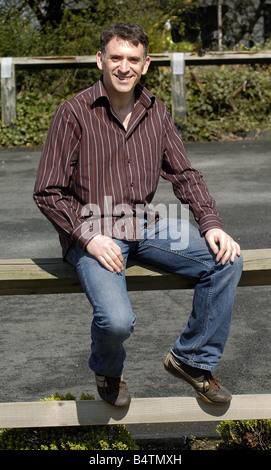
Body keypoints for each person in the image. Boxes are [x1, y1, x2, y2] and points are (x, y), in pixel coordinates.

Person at [33, 22, 243, 407]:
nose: (124, 67)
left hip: (145, 227)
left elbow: (183, 173)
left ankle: (192, 360)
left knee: (226, 260)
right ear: (101, 60)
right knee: (116, 321)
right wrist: (87, 236)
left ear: (146, 64)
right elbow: (47, 191)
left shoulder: (156, 111)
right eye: (116, 58)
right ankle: (108, 370)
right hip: (93, 232)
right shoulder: (74, 113)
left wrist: (211, 224)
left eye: (133, 59)